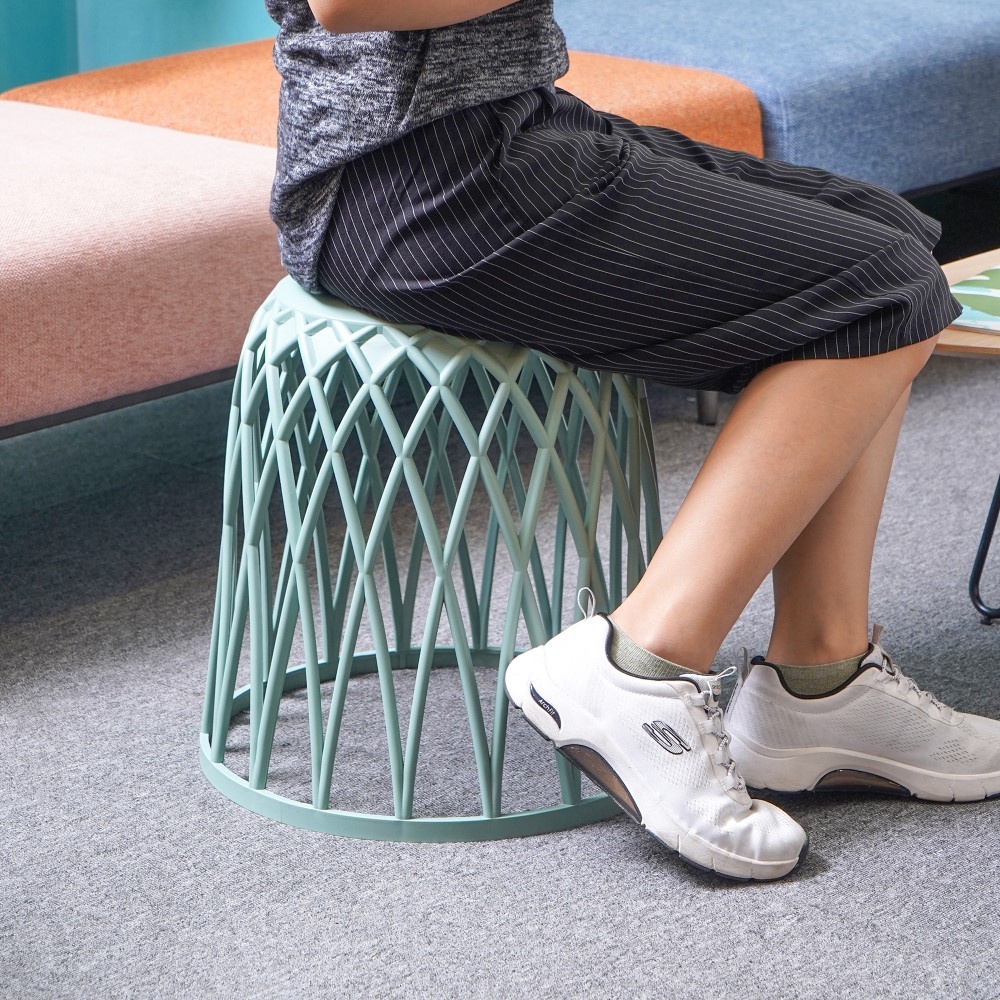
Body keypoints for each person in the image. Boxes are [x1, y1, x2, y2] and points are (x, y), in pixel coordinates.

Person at [264, 0, 1000, 880]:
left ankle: (821, 676)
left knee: (889, 236)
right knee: (880, 292)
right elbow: (348, 5)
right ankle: (638, 667)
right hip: (410, 182)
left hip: (513, 124)